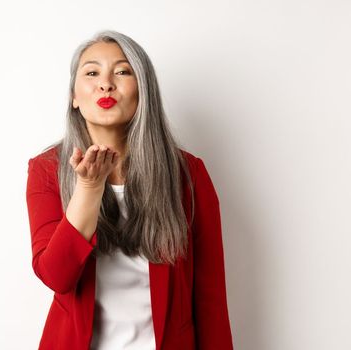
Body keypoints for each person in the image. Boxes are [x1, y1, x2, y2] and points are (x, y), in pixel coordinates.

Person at [24, 30, 234, 350]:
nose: (106, 84)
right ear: (74, 97)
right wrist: (89, 188)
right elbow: (56, 275)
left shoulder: (187, 174)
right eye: (92, 73)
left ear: (143, 91)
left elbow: (210, 298)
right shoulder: (46, 170)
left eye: (122, 72)